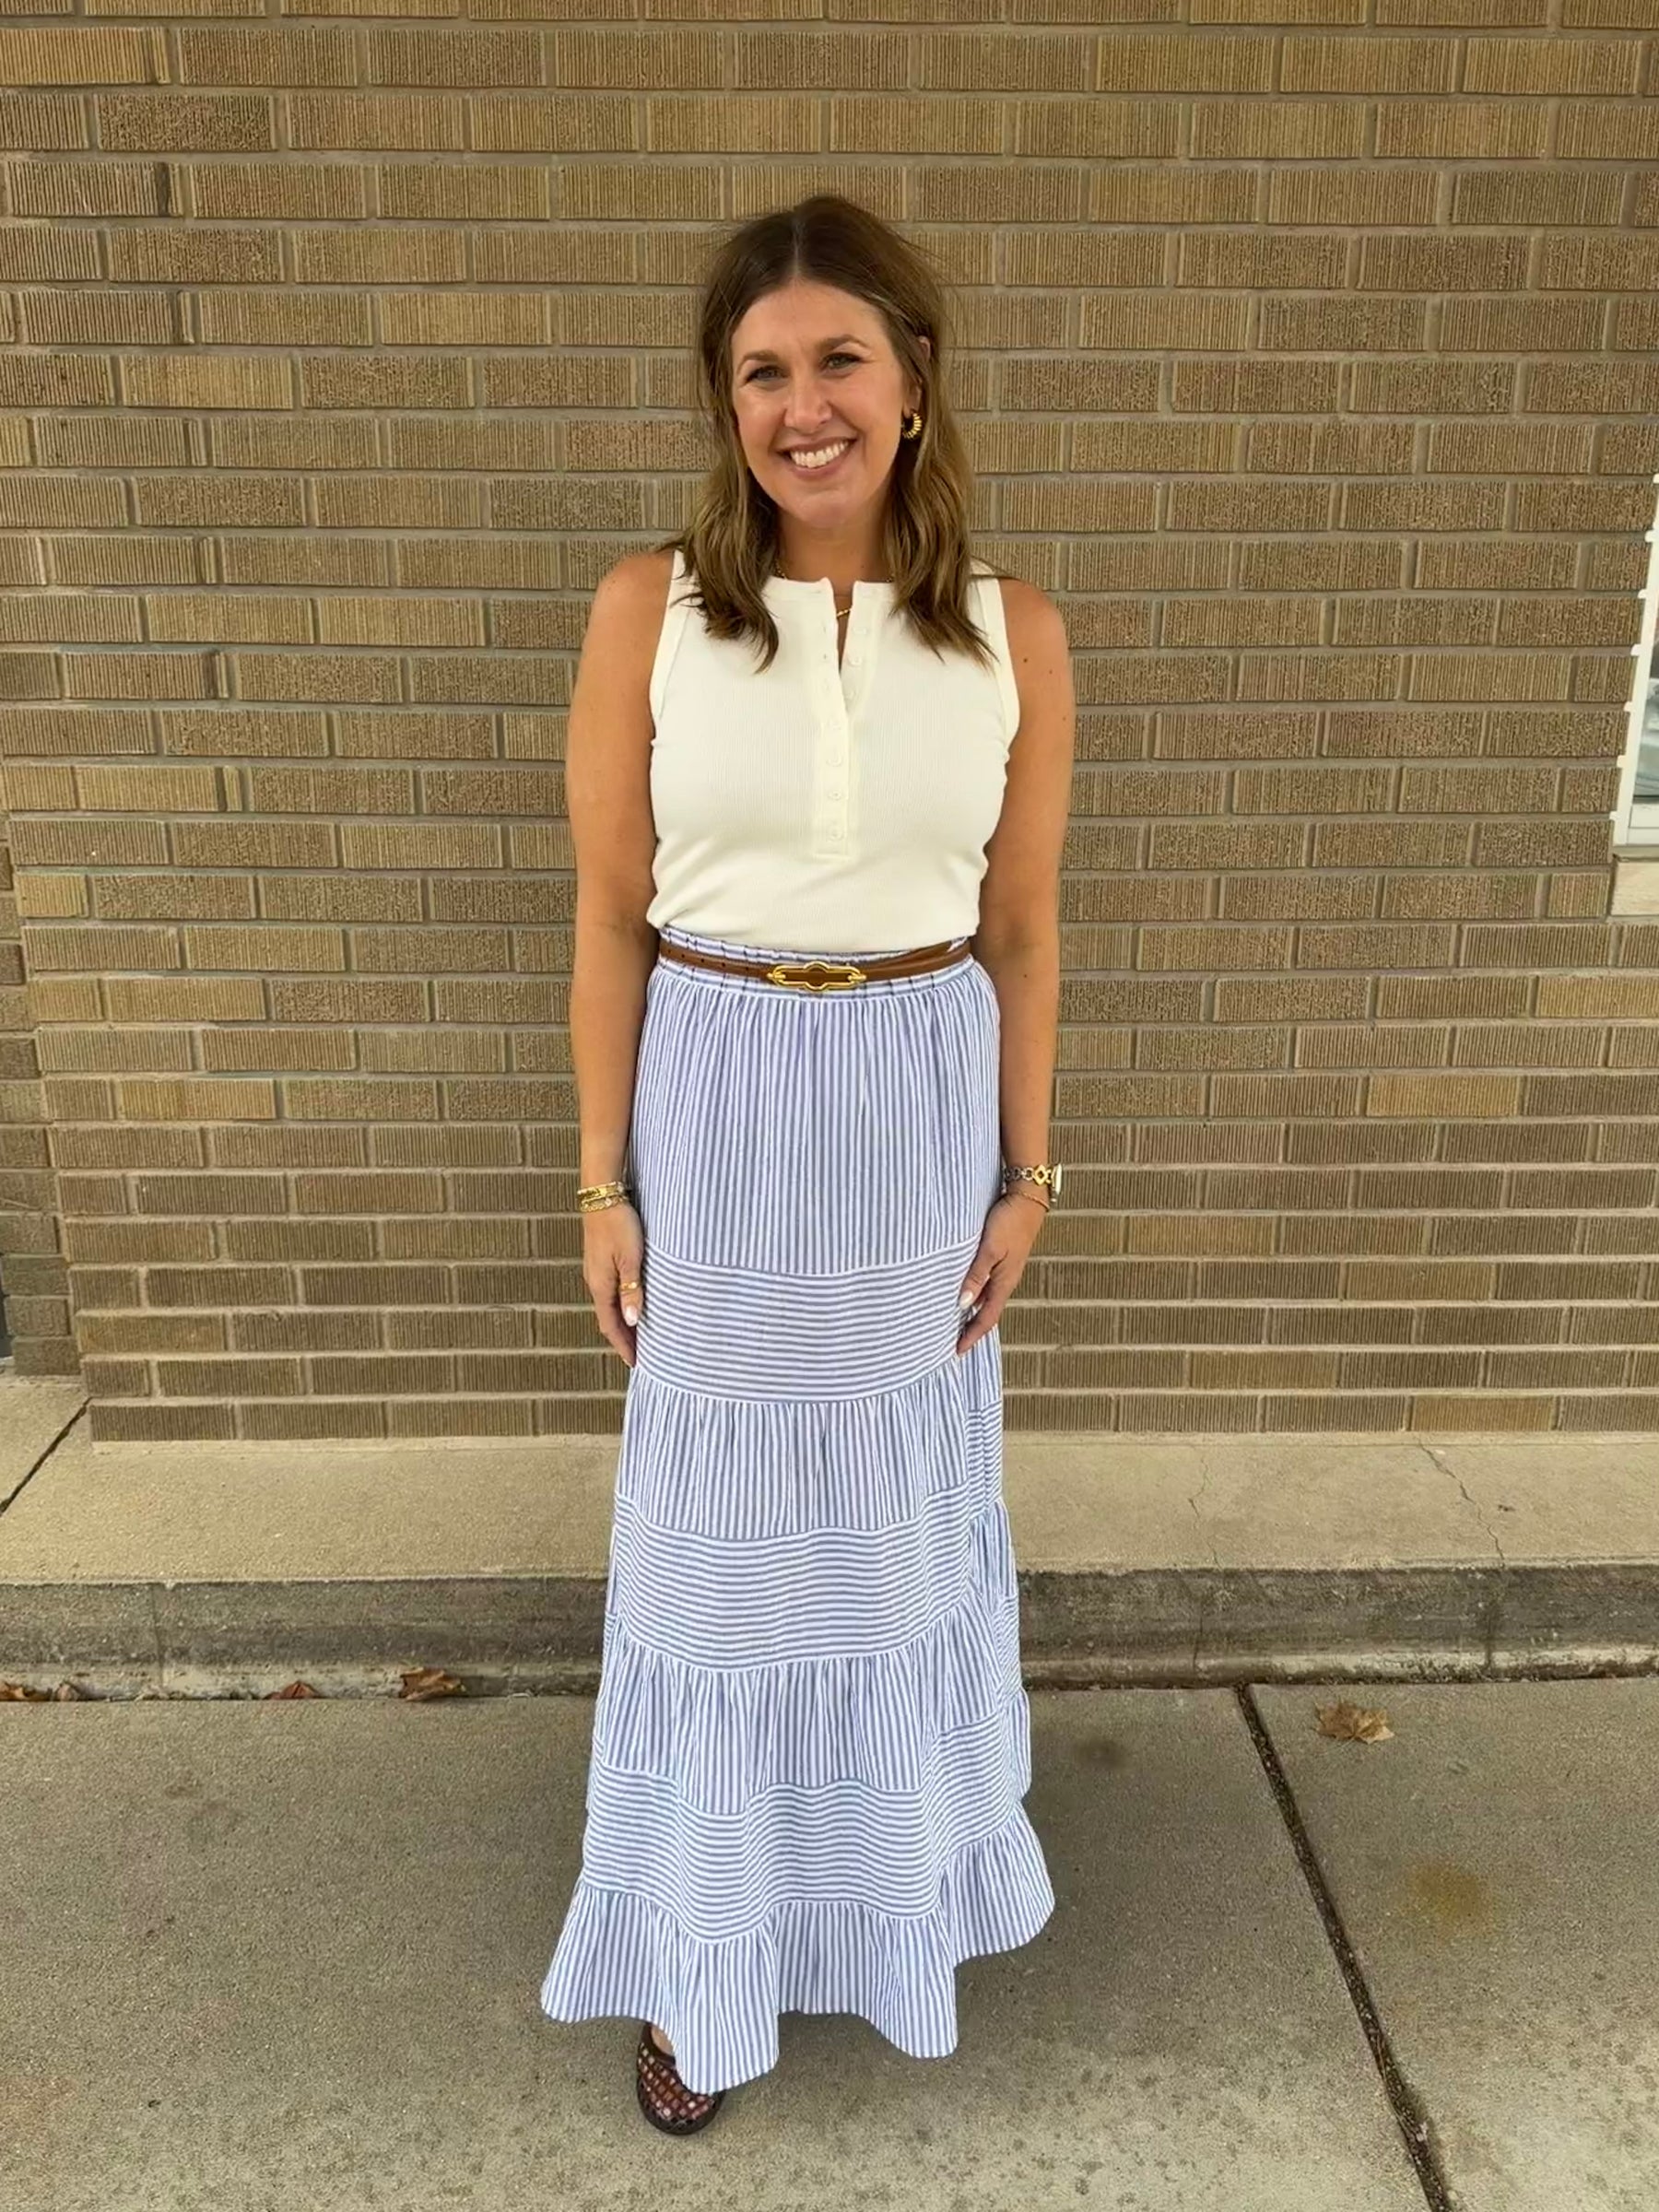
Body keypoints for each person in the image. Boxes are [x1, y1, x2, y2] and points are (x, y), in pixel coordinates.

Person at [538, 192, 1077, 2135]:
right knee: (716, 1564)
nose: (802, 404)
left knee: (893, 1545)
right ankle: (703, 1957)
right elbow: (611, 914)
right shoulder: (652, 611)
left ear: (915, 381)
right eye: (761, 371)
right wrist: (601, 1183)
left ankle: (884, 1915)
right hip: (723, 1098)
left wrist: (1029, 1173)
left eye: (839, 358)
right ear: (726, 402)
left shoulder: (1014, 632)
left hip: (922, 1112)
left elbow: (1020, 929)